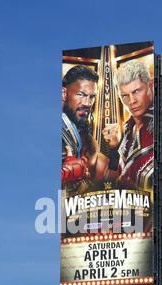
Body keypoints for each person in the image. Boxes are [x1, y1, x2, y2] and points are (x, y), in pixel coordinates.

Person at [102, 59, 154, 192]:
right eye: (125, 95)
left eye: (136, 91)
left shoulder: (158, 124)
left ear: (151, 86)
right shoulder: (129, 127)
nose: (132, 101)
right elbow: (122, 173)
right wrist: (115, 148)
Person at [62, 65, 99, 195]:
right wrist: (65, 173)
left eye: (92, 97)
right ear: (64, 93)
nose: (87, 103)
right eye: (81, 95)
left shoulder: (87, 138)